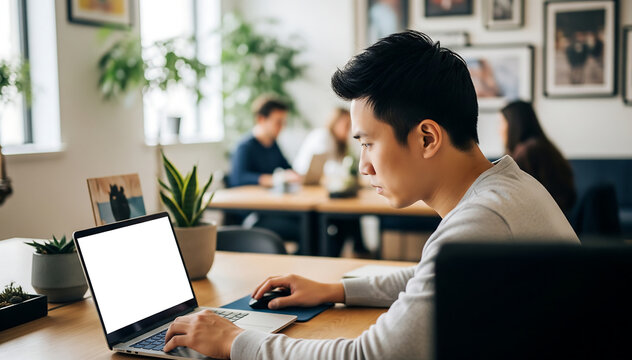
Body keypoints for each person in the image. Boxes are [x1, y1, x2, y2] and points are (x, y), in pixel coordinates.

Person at [163, 30, 579, 359]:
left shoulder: (483, 221)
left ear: (428, 137)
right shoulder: (507, 187)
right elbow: (431, 277)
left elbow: (372, 355)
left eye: (368, 143)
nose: (364, 165)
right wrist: (337, 290)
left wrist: (235, 342)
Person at [293, 108, 369, 256]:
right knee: (343, 218)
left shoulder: (337, 142)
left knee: (349, 214)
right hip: (306, 188)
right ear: (335, 122)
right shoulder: (323, 136)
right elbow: (332, 171)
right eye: (346, 124)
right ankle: (355, 250)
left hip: (318, 188)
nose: (348, 129)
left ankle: (353, 251)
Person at [227, 96, 302, 243]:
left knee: (312, 223)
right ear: (261, 119)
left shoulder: (272, 144)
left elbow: (287, 167)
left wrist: (295, 175)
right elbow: (238, 179)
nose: (281, 127)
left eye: (283, 122)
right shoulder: (245, 147)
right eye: (278, 122)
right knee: (305, 228)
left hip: (272, 209)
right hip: (254, 215)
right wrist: (274, 179)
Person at [499, 100, 577, 214]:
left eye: (501, 122)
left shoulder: (528, 152)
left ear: (513, 124)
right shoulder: (543, 145)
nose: (498, 129)